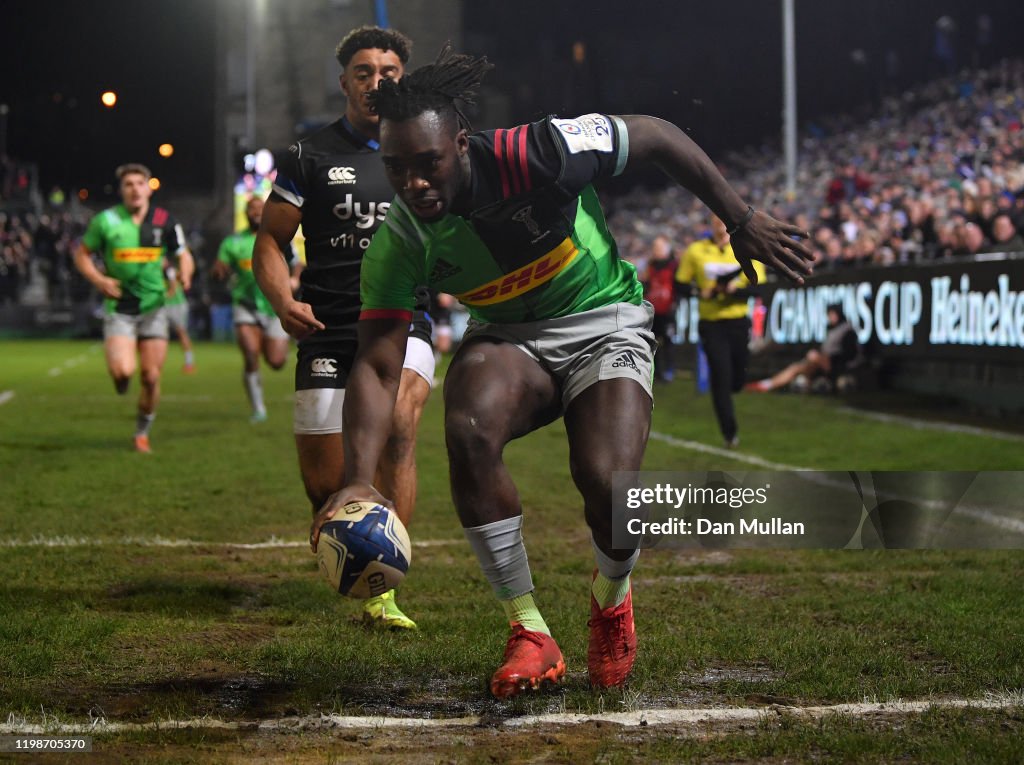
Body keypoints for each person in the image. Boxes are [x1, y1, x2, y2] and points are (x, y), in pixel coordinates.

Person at [308, 47, 813, 698]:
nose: (414, 185)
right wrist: (355, 479)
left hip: (603, 318)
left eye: (428, 163)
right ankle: (529, 630)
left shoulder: (536, 150)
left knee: (609, 484)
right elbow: (378, 367)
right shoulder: (400, 238)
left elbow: (656, 134)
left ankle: (612, 598)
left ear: (460, 144)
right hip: (507, 337)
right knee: (467, 424)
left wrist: (740, 219)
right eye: (396, 169)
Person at [253, 26, 434, 630]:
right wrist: (283, 302)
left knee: (401, 425)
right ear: (345, 83)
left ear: (401, 79)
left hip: (404, 319)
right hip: (327, 327)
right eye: (364, 72)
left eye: (387, 72)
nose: (376, 81)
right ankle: (347, 551)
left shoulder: (425, 149)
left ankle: (384, 591)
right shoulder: (310, 156)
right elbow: (271, 242)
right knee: (326, 483)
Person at [73, 163, 194, 453]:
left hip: (154, 308)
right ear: (122, 190)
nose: (135, 188)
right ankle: (120, 377)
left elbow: (183, 254)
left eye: (140, 183)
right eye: (128, 184)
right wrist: (98, 279)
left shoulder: (165, 220)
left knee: (151, 377)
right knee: (123, 372)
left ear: (149, 187)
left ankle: (141, 434)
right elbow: (82, 254)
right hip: (119, 308)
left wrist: (185, 273)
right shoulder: (105, 220)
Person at [676, 215, 765, 448]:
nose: (721, 225)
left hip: (738, 321)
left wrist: (733, 291)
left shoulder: (747, 248)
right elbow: (681, 285)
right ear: (711, 224)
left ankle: (733, 391)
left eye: (724, 220)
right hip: (711, 323)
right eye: (716, 220)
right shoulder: (695, 251)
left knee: (737, 379)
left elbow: (760, 289)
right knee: (721, 376)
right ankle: (730, 432)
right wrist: (699, 292)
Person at [212, 197, 295, 422]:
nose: (256, 212)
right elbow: (220, 267)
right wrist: (219, 271)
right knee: (250, 354)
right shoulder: (233, 242)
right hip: (245, 305)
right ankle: (258, 409)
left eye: (260, 208)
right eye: (252, 209)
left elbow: (297, 264)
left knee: (276, 362)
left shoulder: (280, 238)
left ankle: (279, 350)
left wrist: (295, 279)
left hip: (273, 305)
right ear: (246, 213)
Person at [746, 304, 861, 393]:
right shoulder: (832, 329)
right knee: (799, 367)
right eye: (829, 315)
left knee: (801, 366)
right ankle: (772, 384)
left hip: (839, 364)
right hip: (828, 362)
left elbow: (849, 354)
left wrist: (827, 358)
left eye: (832, 314)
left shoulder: (847, 330)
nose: (830, 317)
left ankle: (769, 384)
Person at [642, 235, 680, 383]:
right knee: (653, 342)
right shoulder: (651, 265)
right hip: (653, 309)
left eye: (658, 247)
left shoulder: (674, 265)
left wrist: (675, 303)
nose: (655, 250)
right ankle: (657, 372)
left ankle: (670, 370)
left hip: (668, 309)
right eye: (654, 247)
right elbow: (647, 283)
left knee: (668, 341)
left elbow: (678, 285)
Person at [164, 280, 196, 374]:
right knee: (158, 335)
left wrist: (164, 297)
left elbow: (173, 286)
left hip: (176, 305)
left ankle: (189, 363)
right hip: (163, 305)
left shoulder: (170, 269)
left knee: (181, 332)